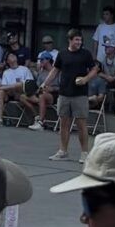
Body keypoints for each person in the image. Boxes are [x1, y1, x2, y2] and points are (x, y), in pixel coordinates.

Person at [40, 29, 99, 162]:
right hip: (64, 93)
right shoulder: (62, 54)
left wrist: (85, 79)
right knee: (63, 123)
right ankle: (62, 151)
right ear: (70, 40)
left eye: (80, 40)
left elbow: (95, 69)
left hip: (80, 94)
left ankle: (84, 153)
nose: (79, 42)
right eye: (76, 40)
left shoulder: (85, 54)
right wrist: (45, 83)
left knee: (81, 123)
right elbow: (55, 70)